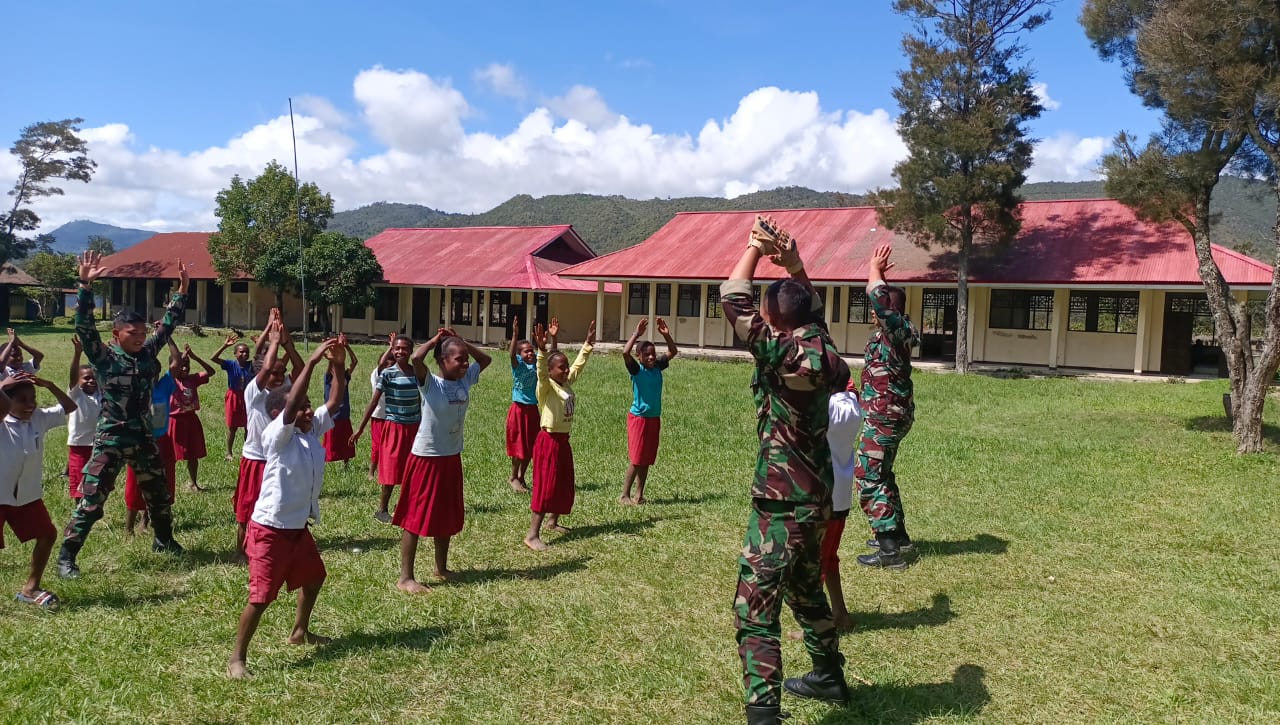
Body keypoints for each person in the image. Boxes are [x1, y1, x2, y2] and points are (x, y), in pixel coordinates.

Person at [721, 218, 851, 724]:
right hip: (818, 498)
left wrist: (754, 248)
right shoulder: (824, 351)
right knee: (805, 590)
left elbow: (734, 297)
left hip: (781, 501)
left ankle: (763, 713)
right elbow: (810, 310)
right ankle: (828, 676)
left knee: (754, 610)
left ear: (774, 322)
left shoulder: (778, 350)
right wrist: (794, 263)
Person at [58, 250, 188, 578]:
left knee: (158, 492)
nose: (141, 338)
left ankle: (163, 539)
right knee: (92, 498)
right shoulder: (103, 358)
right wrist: (85, 286)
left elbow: (168, 325)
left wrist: (182, 292)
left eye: (143, 333)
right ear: (117, 334)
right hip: (111, 436)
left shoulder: (147, 353)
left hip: (143, 434)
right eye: (134, 334)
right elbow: (84, 326)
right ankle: (67, 556)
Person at [227, 336, 346, 680]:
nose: (311, 411)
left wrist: (336, 363)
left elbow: (335, 400)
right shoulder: (278, 437)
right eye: (304, 408)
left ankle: (299, 631)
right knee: (261, 596)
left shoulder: (310, 432)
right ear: (281, 415)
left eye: (310, 407)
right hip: (270, 529)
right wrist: (309, 362)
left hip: (297, 528)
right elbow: (293, 402)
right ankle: (237, 658)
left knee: (314, 578)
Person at [394, 329, 491, 593]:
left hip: (450, 457)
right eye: (458, 359)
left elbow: (486, 361)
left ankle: (441, 567)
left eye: (464, 359)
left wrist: (463, 342)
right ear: (443, 361)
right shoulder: (430, 383)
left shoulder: (463, 381)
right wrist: (436, 341)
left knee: (446, 514)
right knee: (414, 517)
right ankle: (405, 577)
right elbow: (416, 359)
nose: (465, 364)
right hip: (427, 458)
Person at [854, 243, 920, 569]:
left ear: (890, 311)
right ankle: (898, 536)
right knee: (883, 473)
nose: (872, 312)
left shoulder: (897, 329)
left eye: (879, 309)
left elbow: (879, 300)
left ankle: (888, 552)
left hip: (886, 417)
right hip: (888, 412)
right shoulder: (886, 334)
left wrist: (875, 269)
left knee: (868, 477)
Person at [1, 373, 76, 608]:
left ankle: (30, 588)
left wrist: (50, 384)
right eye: (22, 400)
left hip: (27, 494)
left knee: (47, 534)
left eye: (32, 398)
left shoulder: (39, 419)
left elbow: (70, 406)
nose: (30, 404)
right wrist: (3, 385)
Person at [234, 312, 302, 563]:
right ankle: (241, 549)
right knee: (248, 506)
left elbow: (300, 370)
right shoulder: (254, 391)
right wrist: (273, 342)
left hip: (279, 457)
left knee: (278, 502)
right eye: (274, 373)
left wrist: (288, 346)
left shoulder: (286, 388)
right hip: (256, 459)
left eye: (282, 373)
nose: (279, 377)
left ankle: (274, 544)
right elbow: (265, 371)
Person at [524, 317, 595, 552]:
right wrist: (542, 350)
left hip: (563, 441)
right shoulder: (545, 387)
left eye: (565, 367)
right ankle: (532, 534)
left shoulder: (566, 383)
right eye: (561, 368)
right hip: (548, 441)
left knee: (564, 482)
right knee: (546, 485)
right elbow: (541, 371)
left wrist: (587, 344)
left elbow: (577, 367)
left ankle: (553, 522)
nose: (565, 371)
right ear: (551, 370)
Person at [351, 335, 420, 524]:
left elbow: (424, 400)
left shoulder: (417, 373)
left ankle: (406, 507)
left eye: (404, 348)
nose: (400, 352)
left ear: (411, 350)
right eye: (396, 348)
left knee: (412, 470)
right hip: (394, 426)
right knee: (390, 469)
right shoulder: (387, 374)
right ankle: (382, 510)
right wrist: (360, 428)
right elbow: (374, 401)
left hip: (414, 427)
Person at [124, 339, 179, 537]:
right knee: (134, 483)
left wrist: (168, 338)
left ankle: (146, 521)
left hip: (162, 441)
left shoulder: (164, 386)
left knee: (162, 481)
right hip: (140, 441)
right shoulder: (134, 389)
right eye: (147, 371)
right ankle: (128, 528)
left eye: (155, 371)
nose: (152, 375)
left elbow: (177, 361)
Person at [620, 317, 677, 505]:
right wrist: (636, 334)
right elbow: (625, 353)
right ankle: (624, 495)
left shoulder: (657, 367)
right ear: (640, 357)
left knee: (647, 459)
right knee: (637, 458)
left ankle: (639, 494)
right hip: (639, 419)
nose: (651, 357)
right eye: (647, 355)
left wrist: (666, 335)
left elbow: (672, 351)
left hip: (653, 418)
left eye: (653, 354)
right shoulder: (637, 370)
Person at [822, 388, 862, 630]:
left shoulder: (827, 408)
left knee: (814, 561)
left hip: (822, 496)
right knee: (828, 557)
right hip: (840, 496)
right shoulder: (851, 405)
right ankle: (840, 613)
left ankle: (818, 625)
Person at [170, 343, 214, 492]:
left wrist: (195, 357)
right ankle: (168, 483)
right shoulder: (170, 381)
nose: (185, 368)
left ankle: (193, 482)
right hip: (174, 422)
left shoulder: (193, 379)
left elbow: (211, 371)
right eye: (181, 365)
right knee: (170, 455)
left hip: (191, 420)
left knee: (193, 454)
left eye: (187, 365)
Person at [505, 315, 537, 494]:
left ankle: (522, 476)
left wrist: (551, 340)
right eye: (526, 351)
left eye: (531, 351)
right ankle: (513, 477)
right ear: (520, 354)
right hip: (518, 410)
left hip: (532, 409)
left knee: (530, 446)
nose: (530, 353)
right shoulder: (517, 366)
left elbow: (550, 355)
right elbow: (511, 354)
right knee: (518, 445)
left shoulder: (537, 364)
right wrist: (515, 335)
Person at [66, 336, 102, 501]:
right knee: (79, 482)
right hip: (79, 445)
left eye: (93, 377)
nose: (91, 381)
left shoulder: (101, 394)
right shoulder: (76, 394)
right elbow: (72, 377)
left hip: (99, 446)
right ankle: (79, 512)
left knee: (96, 482)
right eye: (86, 378)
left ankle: (93, 508)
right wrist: (77, 353)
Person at [212, 334, 253, 461]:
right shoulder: (230, 364)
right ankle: (229, 452)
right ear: (235, 354)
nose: (244, 354)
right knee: (232, 426)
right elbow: (213, 358)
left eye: (246, 352)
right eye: (241, 352)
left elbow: (266, 360)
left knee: (248, 426)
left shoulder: (252, 365)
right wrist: (224, 345)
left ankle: (247, 450)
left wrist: (260, 344)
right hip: (233, 397)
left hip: (248, 397)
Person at [322, 342, 358, 468]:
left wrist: (347, 346)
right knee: (331, 441)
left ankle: (346, 463)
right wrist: (331, 357)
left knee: (345, 440)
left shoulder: (345, 377)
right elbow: (332, 363)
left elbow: (354, 361)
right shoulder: (328, 378)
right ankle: (327, 461)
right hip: (332, 415)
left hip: (344, 414)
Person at [366, 335, 395, 481]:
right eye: (387, 364)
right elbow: (382, 363)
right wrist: (391, 347)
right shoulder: (377, 375)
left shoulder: (395, 376)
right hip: (378, 416)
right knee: (377, 445)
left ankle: (385, 470)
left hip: (392, 417)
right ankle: (371, 471)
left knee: (389, 446)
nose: (390, 366)